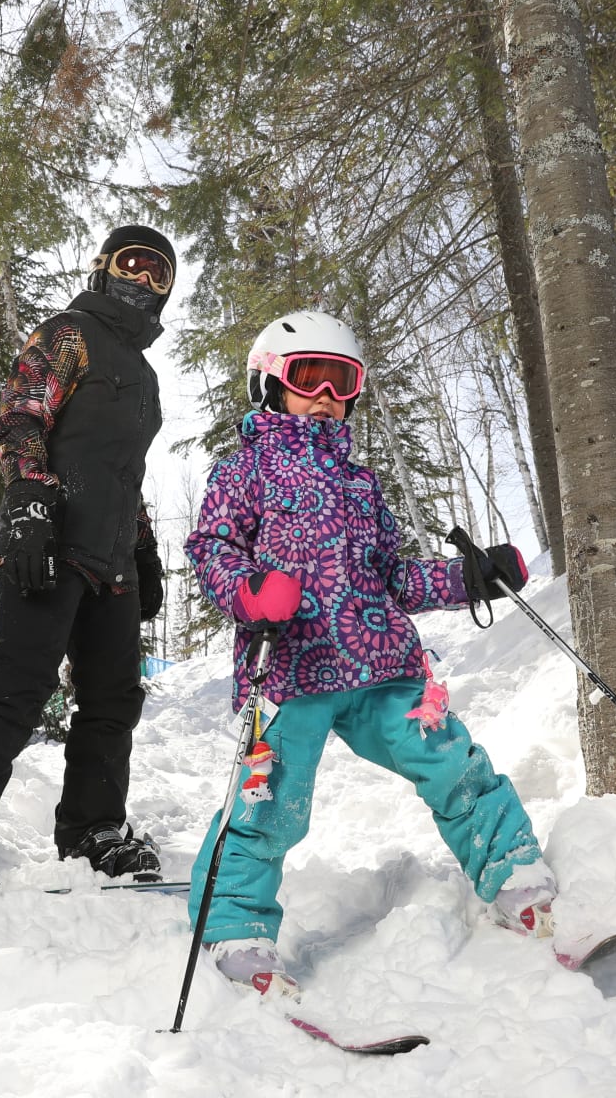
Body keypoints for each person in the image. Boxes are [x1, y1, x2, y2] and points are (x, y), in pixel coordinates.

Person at [183, 309, 556, 996]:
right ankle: (234, 926)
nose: (327, 395)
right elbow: (211, 549)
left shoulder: (361, 483)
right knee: (269, 803)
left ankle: (513, 870)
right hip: (290, 669)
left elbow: (393, 577)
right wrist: (249, 590)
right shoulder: (244, 471)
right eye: (309, 377)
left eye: (342, 380)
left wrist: (469, 577)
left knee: (451, 761)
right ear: (270, 382)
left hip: (382, 664)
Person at [0, 225, 176, 893]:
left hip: (112, 557)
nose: (144, 280)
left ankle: (93, 831)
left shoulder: (145, 374)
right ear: (104, 267)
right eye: (134, 264)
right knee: (19, 686)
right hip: (49, 537)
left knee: (113, 701)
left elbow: (123, 472)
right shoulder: (69, 333)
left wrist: (142, 545)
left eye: (159, 273)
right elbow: (21, 416)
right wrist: (28, 500)